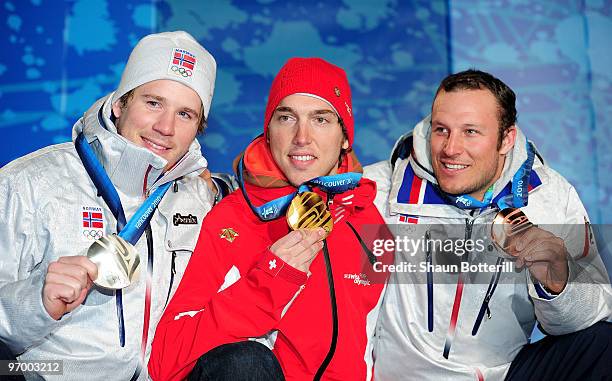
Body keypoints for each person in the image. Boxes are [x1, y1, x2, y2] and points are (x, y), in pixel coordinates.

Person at [0, 31, 226, 380]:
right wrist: (36, 301)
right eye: (153, 103)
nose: (165, 127)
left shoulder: (200, 199)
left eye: (185, 114)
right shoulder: (29, 183)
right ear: (120, 103)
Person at [149, 57, 391, 381]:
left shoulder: (370, 219)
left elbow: (379, 345)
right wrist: (269, 283)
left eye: (320, 119)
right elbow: (166, 360)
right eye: (287, 117)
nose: (301, 136)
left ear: (345, 137)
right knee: (246, 364)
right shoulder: (233, 219)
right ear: (268, 131)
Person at [364, 69, 612, 380]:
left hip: (503, 374)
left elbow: (587, 318)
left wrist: (559, 284)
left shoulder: (549, 196)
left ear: (506, 139)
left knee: (602, 344)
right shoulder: (376, 190)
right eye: (441, 129)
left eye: (470, 132)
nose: (451, 149)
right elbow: (349, 311)